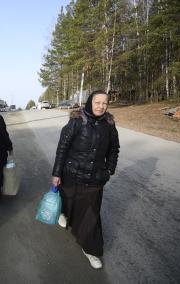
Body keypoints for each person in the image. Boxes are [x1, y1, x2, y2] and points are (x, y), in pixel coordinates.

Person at [51, 90, 120, 269]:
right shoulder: (76, 121)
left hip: (95, 180)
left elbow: (114, 150)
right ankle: (63, 212)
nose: (101, 106)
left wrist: (109, 170)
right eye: (97, 102)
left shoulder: (109, 124)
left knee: (90, 216)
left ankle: (90, 249)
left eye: (104, 103)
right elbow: (62, 149)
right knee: (70, 204)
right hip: (71, 175)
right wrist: (57, 174)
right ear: (90, 102)